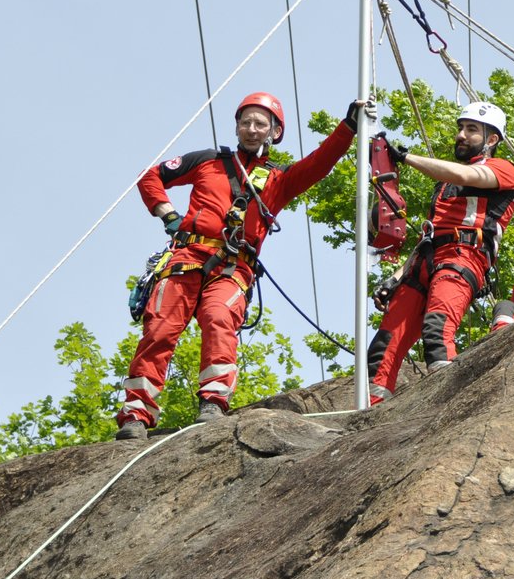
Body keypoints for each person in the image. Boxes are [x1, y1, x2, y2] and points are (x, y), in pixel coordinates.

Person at [117, 93, 368, 439]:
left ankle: (213, 402)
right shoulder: (208, 160)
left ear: (275, 132)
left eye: (260, 123)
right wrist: (168, 215)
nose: (251, 129)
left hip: (233, 266)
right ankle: (136, 414)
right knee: (159, 330)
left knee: (219, 318)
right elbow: (151, 177)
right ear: (236, 126)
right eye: (245, 122)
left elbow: (319, 164)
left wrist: (349, 128)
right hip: (186, 259)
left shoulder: (279, 180)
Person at [366, 101, 514, 405]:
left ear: (491, 139)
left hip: (463, 256)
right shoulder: (444, 184)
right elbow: (429, 234)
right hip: (426, 260)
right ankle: (370, 413)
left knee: (436, 331)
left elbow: (467, 177)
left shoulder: (504, 170)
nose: (461, 135)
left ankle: (448, 411)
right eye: (460, 128)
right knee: (383, 346)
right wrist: (395, 277)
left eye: (472, 130)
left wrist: (407, 158)